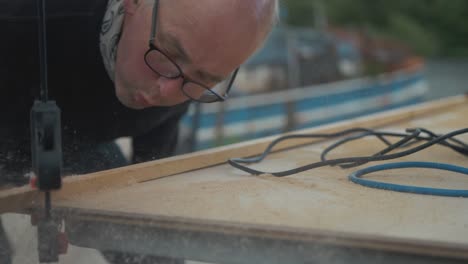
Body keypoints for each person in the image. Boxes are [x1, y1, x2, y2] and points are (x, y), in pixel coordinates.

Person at [0, 0, 278, 263]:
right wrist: (20, 179)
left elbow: (150, 170)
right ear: (131, 3)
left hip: (73, 141)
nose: (166, 90)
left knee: (153, 247)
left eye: (205, 78)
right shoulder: (21, 20)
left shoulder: (190, 70)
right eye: (169, 54)